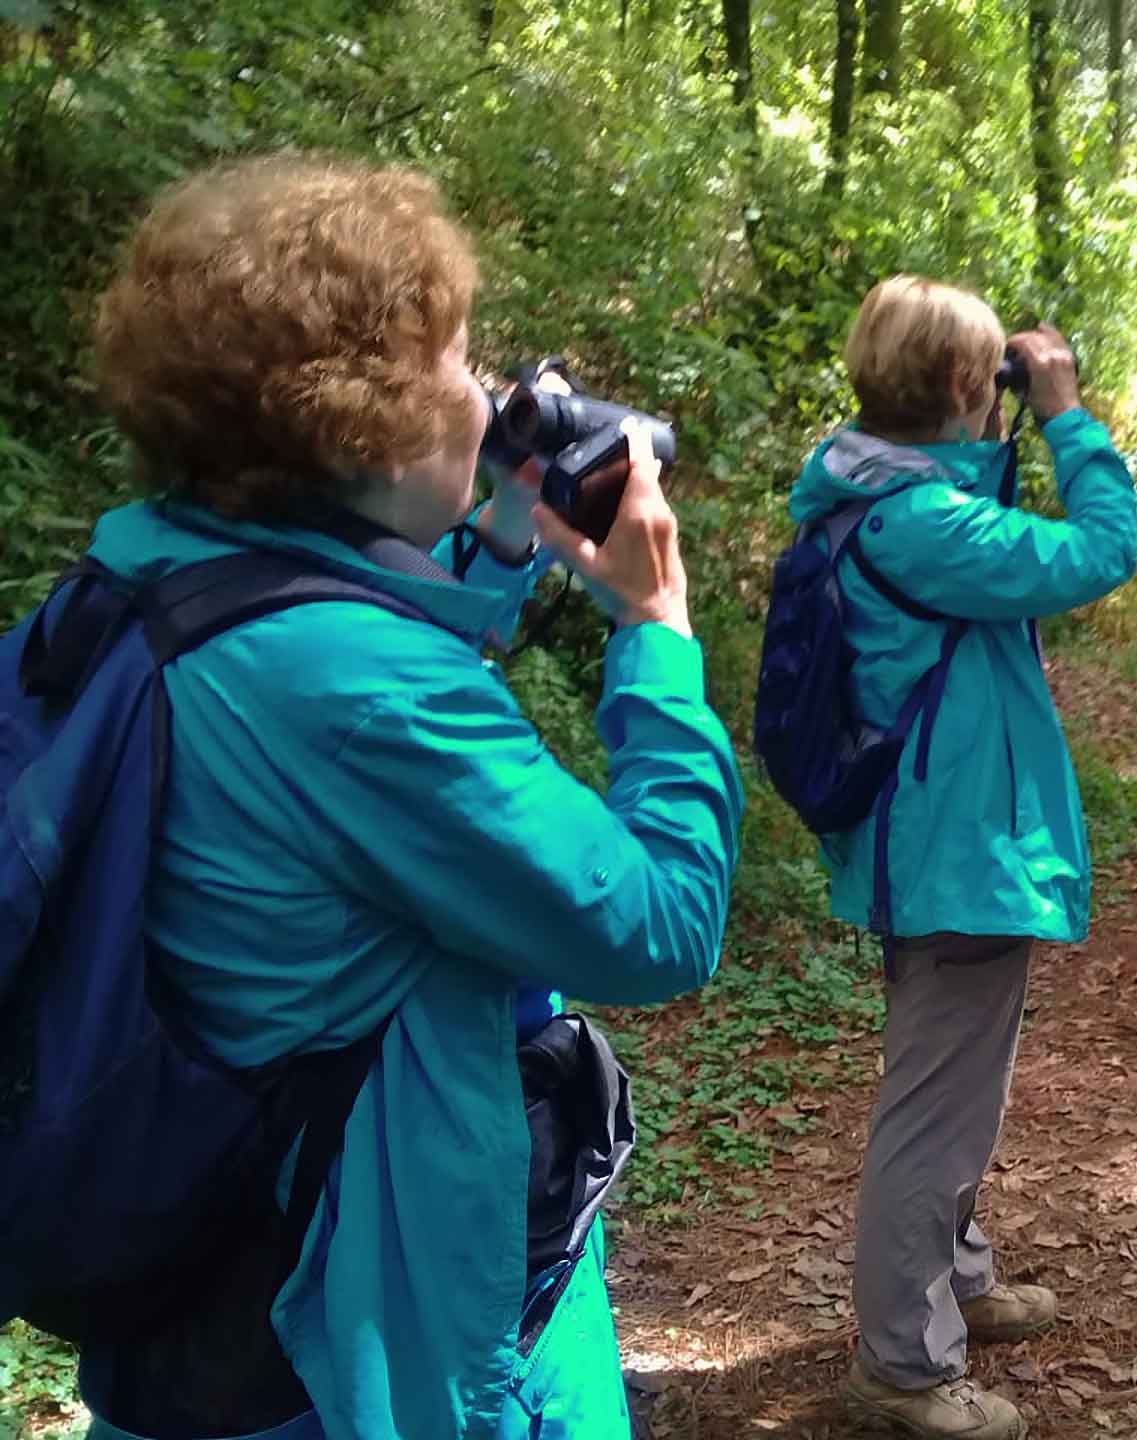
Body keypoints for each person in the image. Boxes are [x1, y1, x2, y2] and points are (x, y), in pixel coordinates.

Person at [72, 154, 743, 1438]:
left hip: (206, 1283)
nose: (485, 393)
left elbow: (333, 666)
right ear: (359, 416)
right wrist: (658, 635)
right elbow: (660, 926)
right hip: (367, 1329)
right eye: (456, 357)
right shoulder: (359, 692)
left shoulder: (143, 574)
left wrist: (497, 537)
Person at [788, 275, 1137, 1439]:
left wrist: (998, 431)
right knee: (935, 1109)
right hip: (954, 854)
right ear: (958, 385)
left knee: (958, 1089)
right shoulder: (922, 525)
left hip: (941, 845)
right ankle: (901, 1365)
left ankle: (960, 1278)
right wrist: (1068, 416)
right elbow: (1098, 551)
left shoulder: (877, 491)